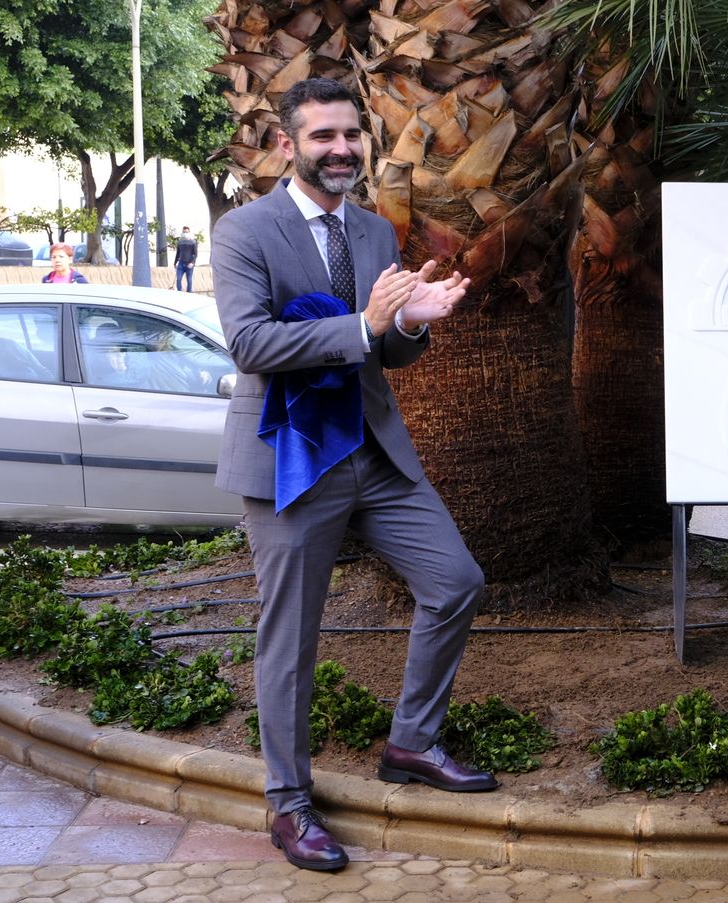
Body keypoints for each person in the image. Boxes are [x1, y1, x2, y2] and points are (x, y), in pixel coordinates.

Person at [211, 76, 485, 874]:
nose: (340, 150)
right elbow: (252, 346)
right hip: (291, 458)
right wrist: (364, 323)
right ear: (287, 145)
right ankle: (289, 803)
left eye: (350, 136)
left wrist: (410, 324)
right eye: (322, 136)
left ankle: (412, 741)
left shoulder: (371, 231)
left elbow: (384, 349)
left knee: (456, 580)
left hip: (372, 450)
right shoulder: (244, 233)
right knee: (291, 637)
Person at [174, 227, 199, 291]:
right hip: (181, 264)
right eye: (184, 232)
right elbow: (178, 253)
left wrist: (192, 263)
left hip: (189, 264)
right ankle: (179, 292)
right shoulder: (180, 242)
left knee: (189, 280)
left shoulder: (193, 242)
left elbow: (195, 254)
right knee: (178, 279)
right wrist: (175, 262)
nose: (185, 233)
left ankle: (189, 294)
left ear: (189, 233)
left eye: (186, 232)